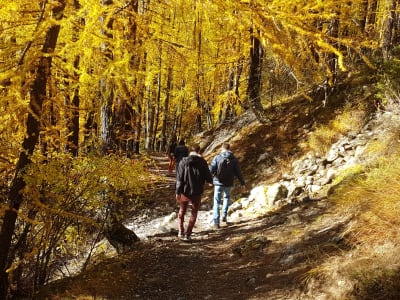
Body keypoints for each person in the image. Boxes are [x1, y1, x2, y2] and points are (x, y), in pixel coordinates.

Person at [176, 143, 213, 241]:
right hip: (197, 191)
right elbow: (207, 174)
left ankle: (180, 230)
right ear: (199, 151)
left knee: (182, 211)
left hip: (184, 191)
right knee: (194, 212)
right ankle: (188, 234)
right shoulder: (202, 162)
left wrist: (177, 192)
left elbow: (179, 178)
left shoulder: (182, 162)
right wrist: (210, 181)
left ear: (189, 151)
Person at [209, 142, 245, 229]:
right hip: (228, 183)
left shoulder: (217, 157)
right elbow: (238, 172)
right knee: (226, 198)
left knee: (216, 202)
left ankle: (216, 223)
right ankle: (224, 216)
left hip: (218, 182)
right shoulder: (234, 159)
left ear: (222, 148)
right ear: (229, 148)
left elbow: (211, 169)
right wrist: (242, 183)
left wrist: (209, 180)